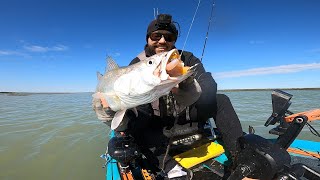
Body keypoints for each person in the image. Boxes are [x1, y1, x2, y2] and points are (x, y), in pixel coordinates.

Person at [93, 14, 244, 179]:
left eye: (169, 37)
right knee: (136, 122)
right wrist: (110, 113)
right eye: (156, 36)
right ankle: (166, 164)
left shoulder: (186, 58)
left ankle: (241, 159)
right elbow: (137, 111)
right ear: (148, 38)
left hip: (187, 115)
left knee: (221, 100)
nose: (163, 41)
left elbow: (209, 86)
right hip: (156, 124)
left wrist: (186, 87)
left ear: (174, 40)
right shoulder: (136, 64)